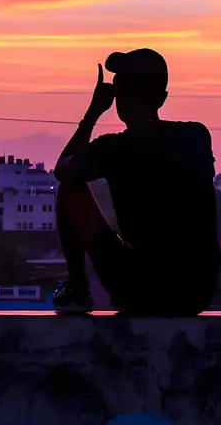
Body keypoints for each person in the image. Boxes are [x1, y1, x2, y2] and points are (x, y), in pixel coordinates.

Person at [53, 49, 220, 315]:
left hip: (141, 290)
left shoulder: (114, 148)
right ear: (162, 98)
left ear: (117, 97)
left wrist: (93, 113)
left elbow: (62, 170)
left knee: (70, 191)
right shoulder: (196, 136)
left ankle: (78, 291)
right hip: (196, 293)